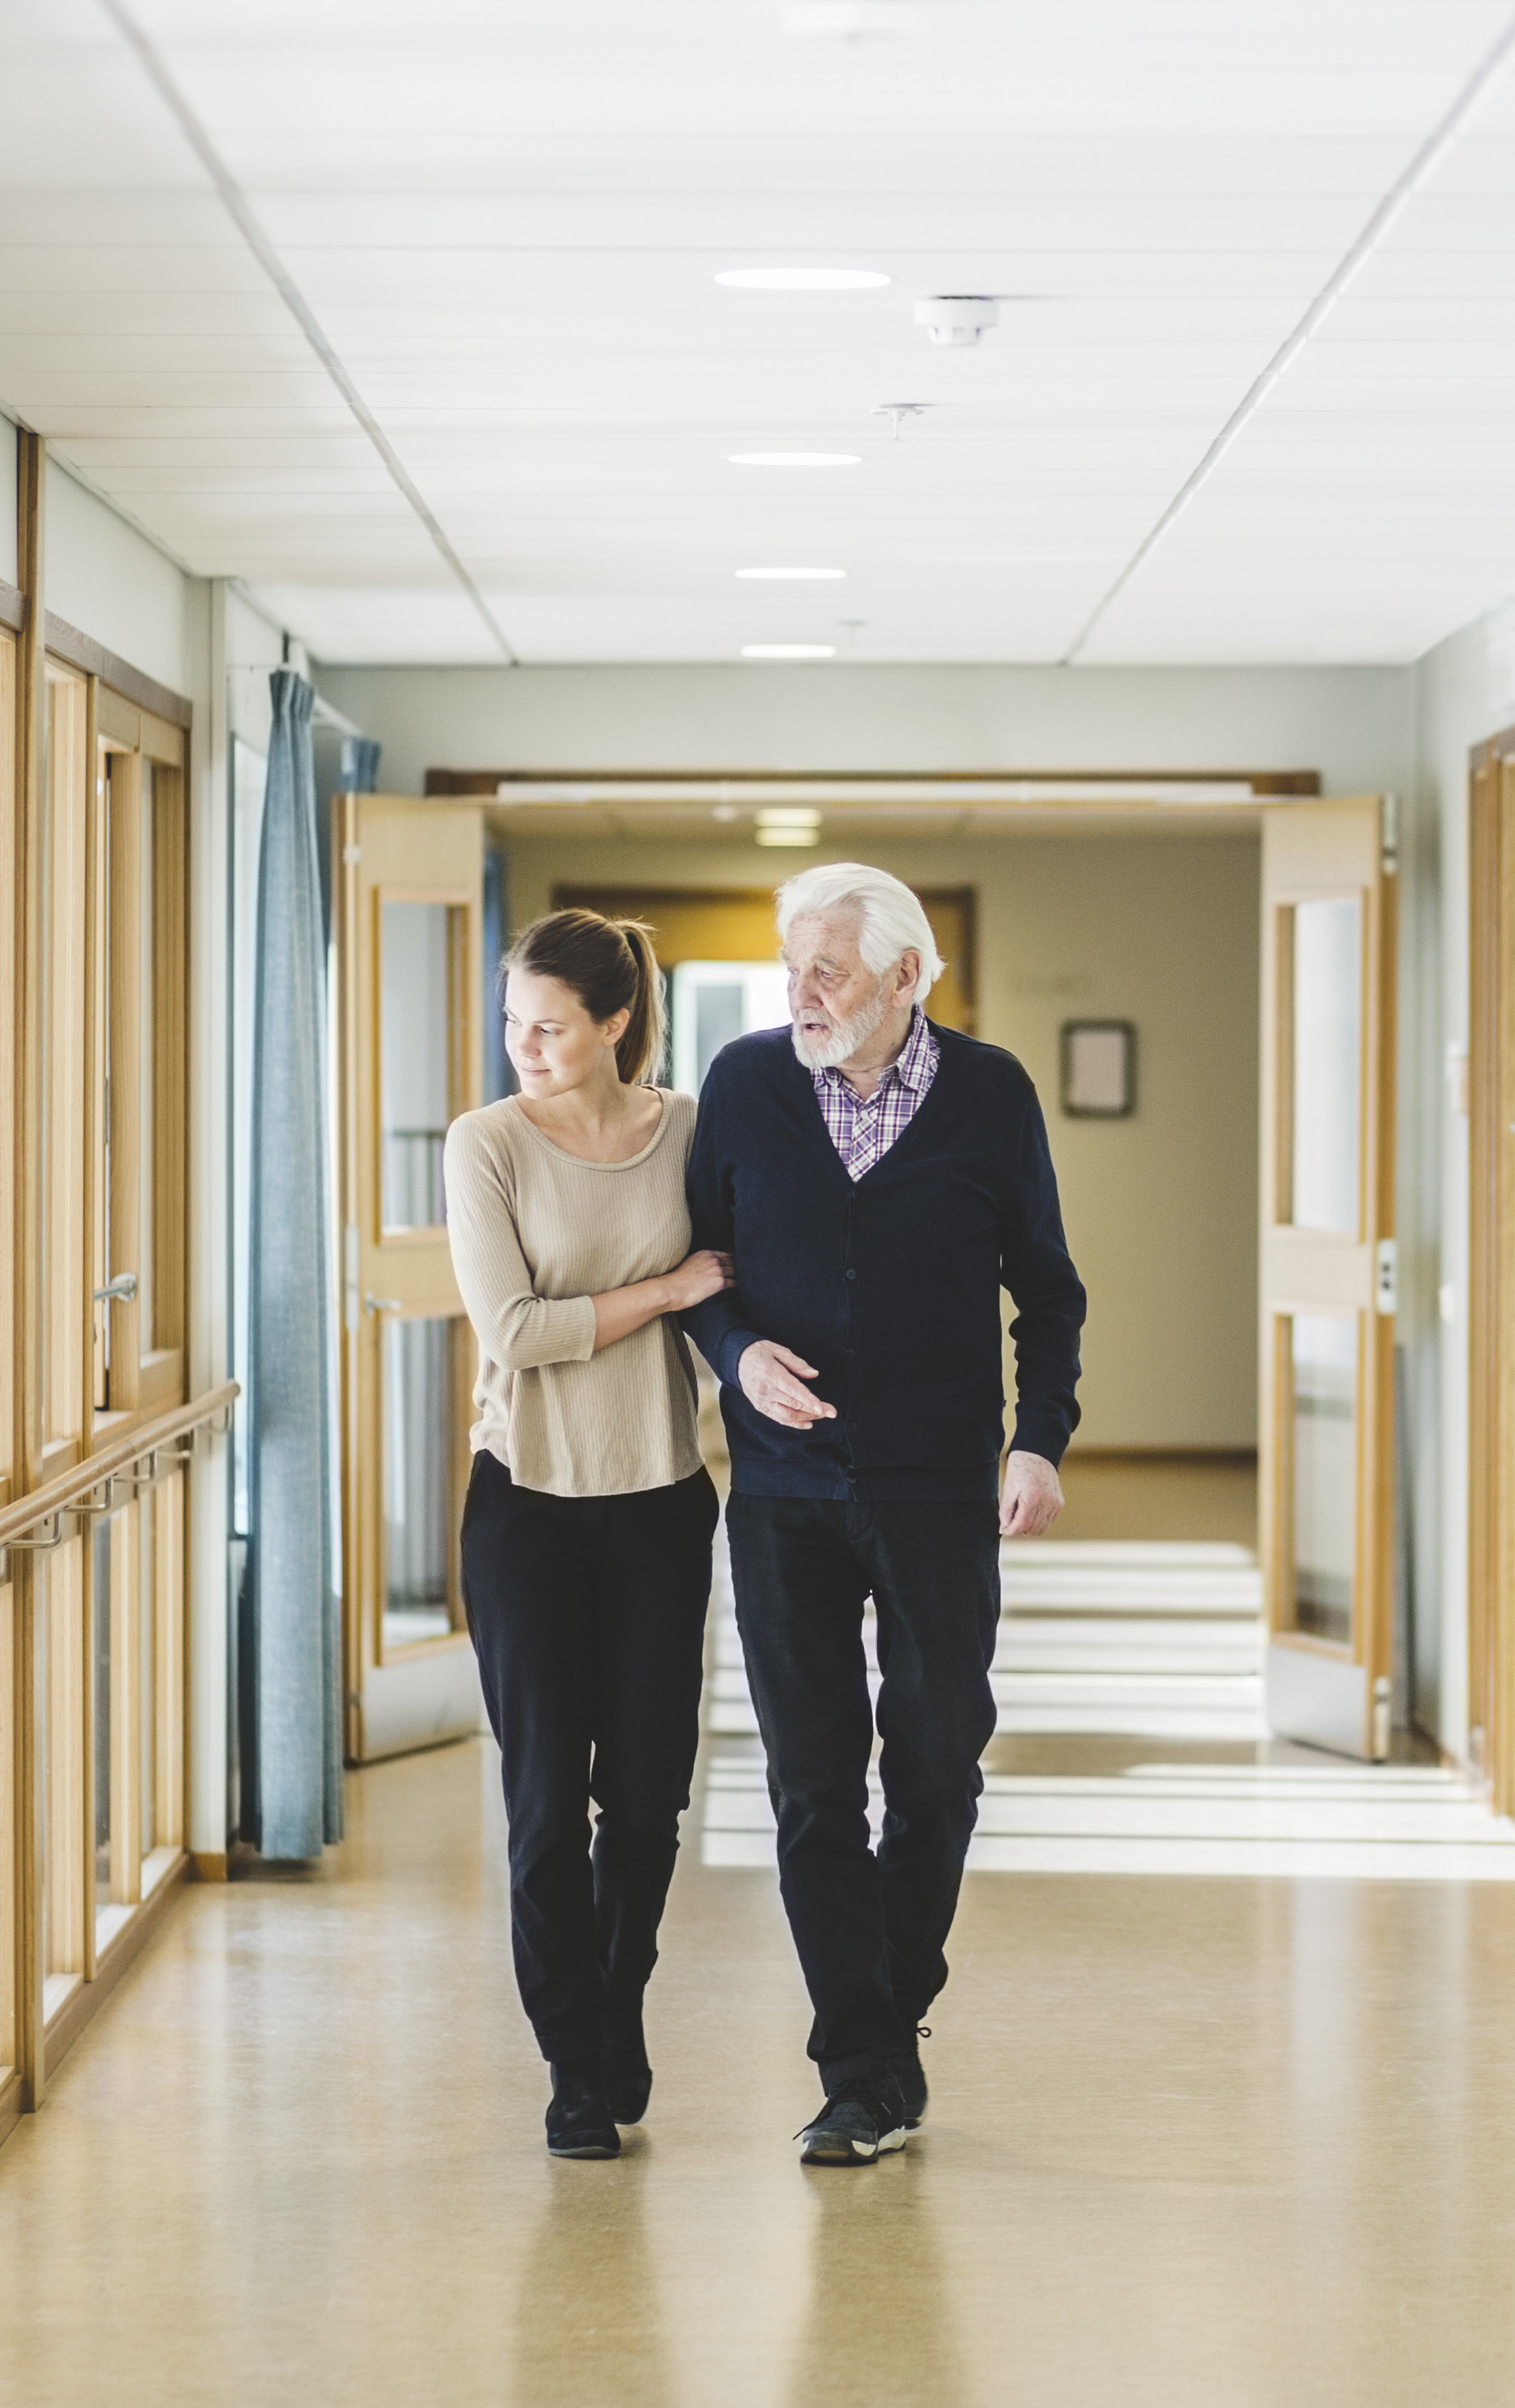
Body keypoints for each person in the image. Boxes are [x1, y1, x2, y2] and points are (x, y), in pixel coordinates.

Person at [679, 863, 1085, 2167]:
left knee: (936, 1765)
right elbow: (699, 1273)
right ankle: (861, 2067)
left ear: (905, 979)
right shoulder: (745, 1085)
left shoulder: (990, 1094)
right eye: (793, 966)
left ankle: (887, 2018)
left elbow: (1051, 1291)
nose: (801, 993)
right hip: (784, 1493)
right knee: (808, 1784)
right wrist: (736, 1352)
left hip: (934, 1487)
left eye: (830, 972)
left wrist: (1040, 1440)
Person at [444, 910, 730, 2161]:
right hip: (529, 1508)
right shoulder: (487, 1144)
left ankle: (619, 2012)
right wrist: (665, 1292)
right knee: (550, 1804)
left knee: (651, 1803)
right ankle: (576, 2062)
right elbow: (514, 1330)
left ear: (616, 1024)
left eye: (549, 1027)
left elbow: (748, 1275)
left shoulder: (691, 1137)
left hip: (663, 1498)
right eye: (513, 1024)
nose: (525, 1047)